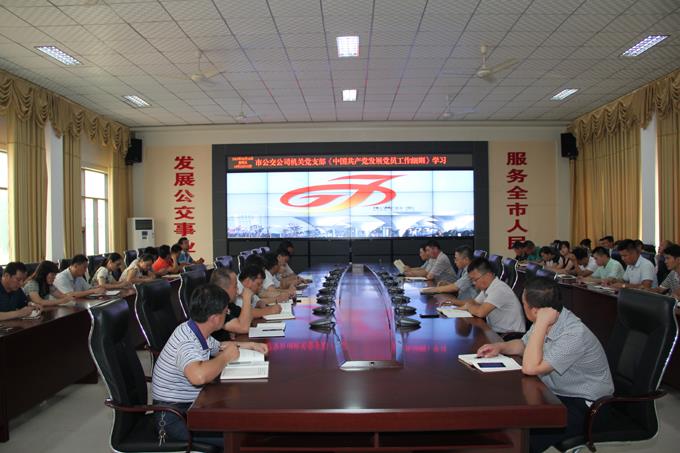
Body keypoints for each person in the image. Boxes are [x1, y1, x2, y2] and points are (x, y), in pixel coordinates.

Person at [477, 277, 614, 453]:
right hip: (557, 393)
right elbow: (524, 345)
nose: (522, 307)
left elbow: (530, 368)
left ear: (535, 311)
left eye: (523, 304)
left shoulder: (573, 334)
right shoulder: (548, 318)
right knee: (512, 418)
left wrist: (541, 323)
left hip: (588, 406)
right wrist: (500, 347)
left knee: (526, 436)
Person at [151, 284, 267, 451]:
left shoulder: (195, 329)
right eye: (225, 311)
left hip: (190, 407)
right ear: (215, 318)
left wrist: (250, 345)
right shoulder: (187, 343)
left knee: (240, 422)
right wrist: (226, 357)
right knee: (240, 437)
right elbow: (198, 376)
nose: (227, 313)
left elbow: (219, 347)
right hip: (174, 418)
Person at [451, 258, 525, 335]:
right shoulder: (489, 287)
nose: (474, 283)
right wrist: (453, 302)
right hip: (497, 330)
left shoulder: (499, 289)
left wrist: (467, 306)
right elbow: (475, 302)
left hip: (510, 335)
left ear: (488, 275)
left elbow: (480, 312)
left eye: (475, 279)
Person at [209, 268, 253, 336]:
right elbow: (244, 328)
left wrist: (236, 329)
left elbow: (248, 319)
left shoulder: (229, 304)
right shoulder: (215, 308)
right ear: (223, 289)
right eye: (235, 286)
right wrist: (247, 298)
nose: (238, 290)